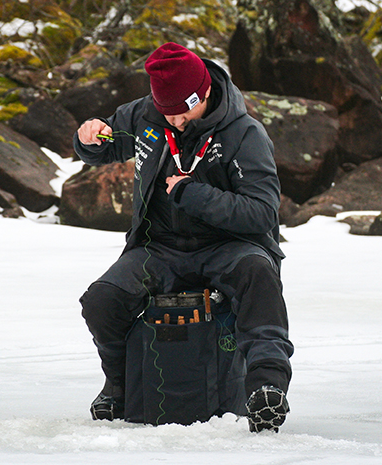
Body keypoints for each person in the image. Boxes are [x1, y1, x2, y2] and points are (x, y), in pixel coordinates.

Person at [73, 42, 294, 432]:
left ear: (204, 93)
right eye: (166, 113)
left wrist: (193, 194)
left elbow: (261, 213)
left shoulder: (245, 134)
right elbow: (107, 145)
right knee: (102, 299)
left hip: (231, 247)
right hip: (161, 248)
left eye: (182, 112)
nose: (174, 121)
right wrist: (89, 139)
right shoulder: (146, 114)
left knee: (259, 275)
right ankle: (118, 385)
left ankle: (266, 390)